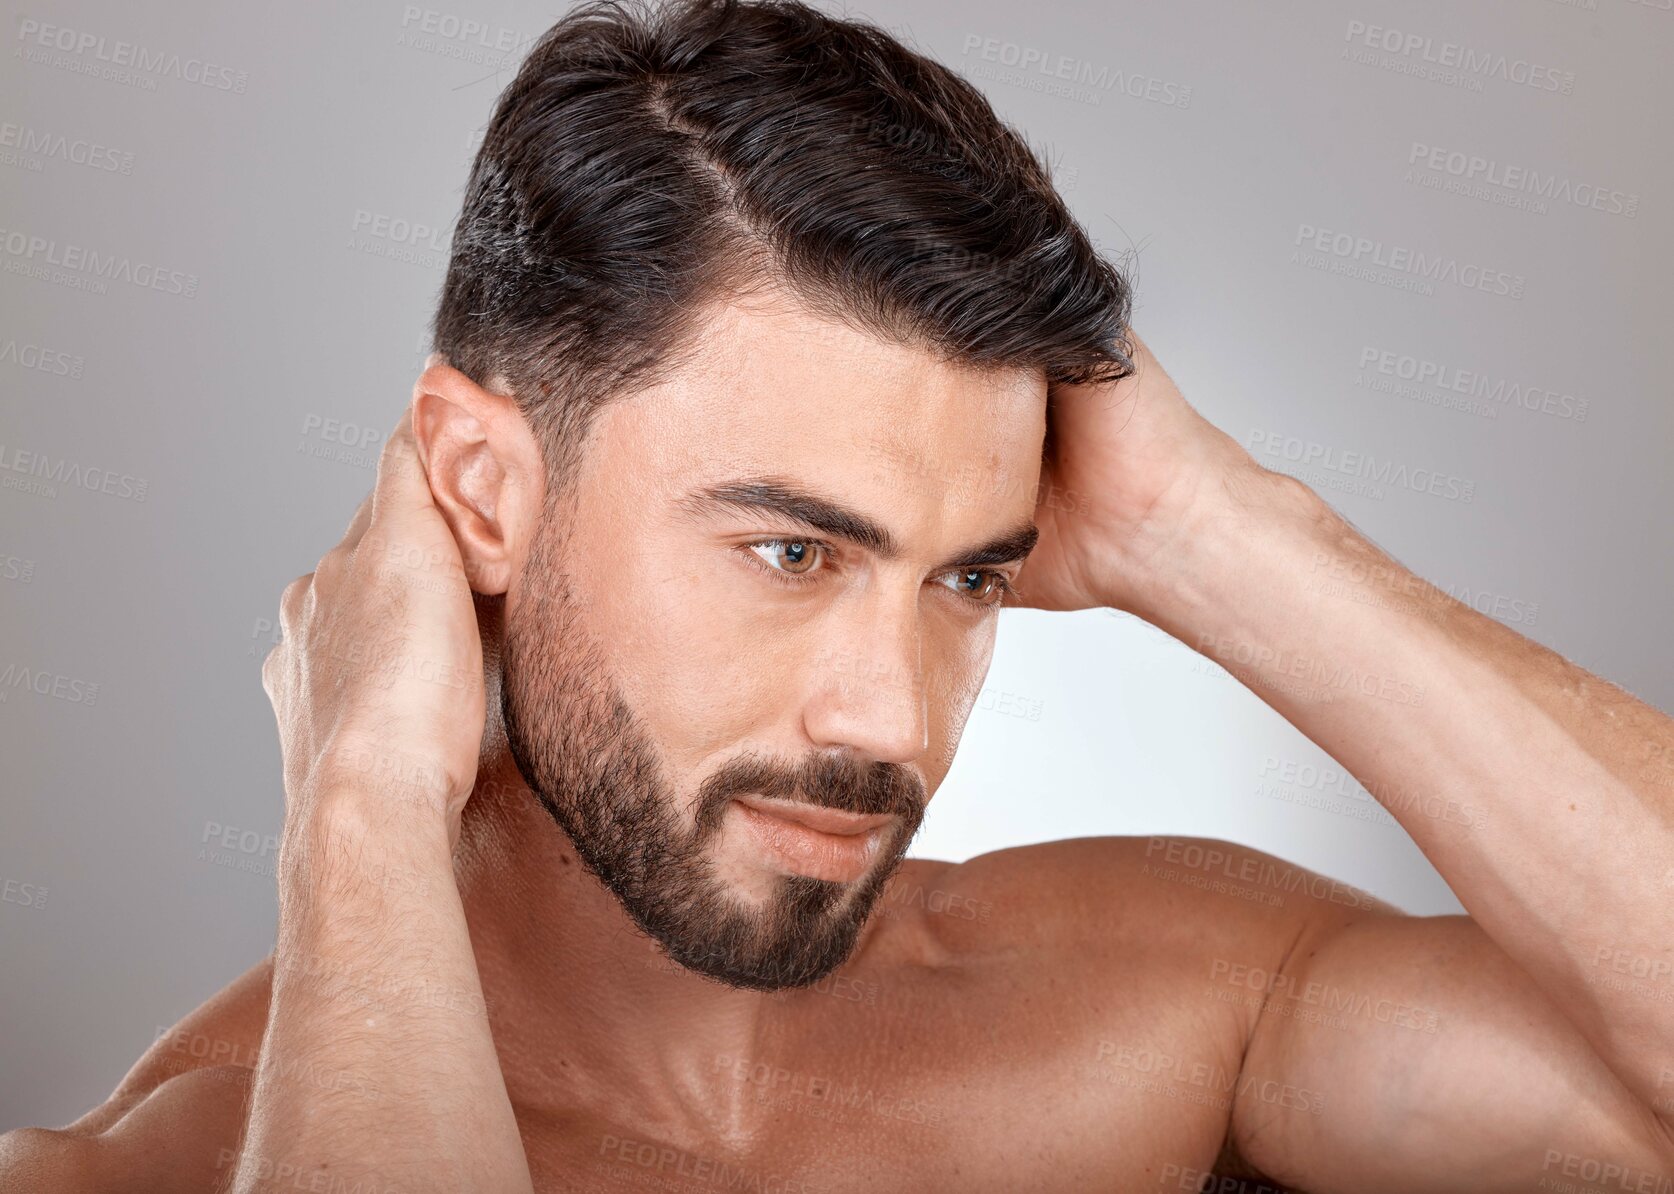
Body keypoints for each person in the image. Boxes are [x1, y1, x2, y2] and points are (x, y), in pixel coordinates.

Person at [4, 1, 1671, 1190]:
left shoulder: (1159, 1019)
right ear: (481, 489)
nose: (892, 717)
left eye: (966, 576)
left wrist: (1219, 530)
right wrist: (360, 807)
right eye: (791, 551)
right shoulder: (162, 1164)